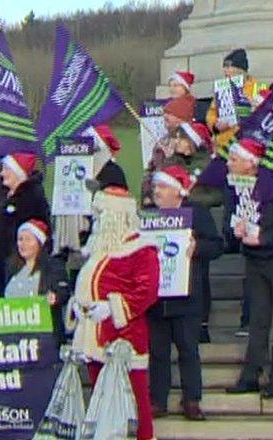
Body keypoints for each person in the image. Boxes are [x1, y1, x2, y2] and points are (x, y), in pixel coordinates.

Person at [71, 186, 162, 440]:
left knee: (134, 398)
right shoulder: (101, 247)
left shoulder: (141, 248)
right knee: (100, 399)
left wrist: (112, 307)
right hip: (94, 333)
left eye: (100, 216)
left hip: (124, 336)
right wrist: (78, 305)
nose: (95, 222)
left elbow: (147, 292)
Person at [225, 139, 273, 398]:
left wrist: (263, 236)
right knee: (257, 319)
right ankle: (250, 375)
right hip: (254, 259)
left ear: (250, 163)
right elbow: (232, 218)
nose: (229, 164)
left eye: (234, 159)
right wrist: (235, 230)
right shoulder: (236, 187)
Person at [146, 165, 221, 422]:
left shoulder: (196, 214)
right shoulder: (150, 216)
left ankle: (192, 400)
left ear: (177, 191)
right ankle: (158, 399)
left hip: (187, 296)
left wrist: (197, 247)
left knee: (188, 349)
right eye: (155, 187)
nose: (157, 192)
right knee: (158, 352)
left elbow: (217, 245)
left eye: (162, 187)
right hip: (157, 298)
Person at [0, 151, 51, 288]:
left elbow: (41, 231)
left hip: (18, 264)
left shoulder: (32, 197)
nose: (2, 174)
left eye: (6, 169)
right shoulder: (0, 195)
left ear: (18, 172)